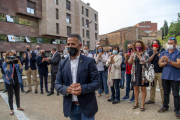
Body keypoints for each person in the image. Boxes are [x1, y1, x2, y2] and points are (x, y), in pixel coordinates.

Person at [55, 34, 101, 120]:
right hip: (71, 107)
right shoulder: (62, 63)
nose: (70, 46)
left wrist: (82, 88)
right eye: (68, 44)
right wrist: (66, 89)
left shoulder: (89, 61)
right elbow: (57, 84)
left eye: (73, 44)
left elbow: (97, 83)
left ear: (80, 46)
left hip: (87, 106)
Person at [158, 37, 180, 119]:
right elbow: (160, 64)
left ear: (175, 44)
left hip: (175, 77)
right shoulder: (164, 52)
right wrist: (164, 62)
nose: (170, 44)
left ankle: (177, 110)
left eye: (171, 43)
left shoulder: (178, 52)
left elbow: (178, 64)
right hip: (165, 76)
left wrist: (169, 61)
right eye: (169, 43)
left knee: (176, 94)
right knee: (165, 93)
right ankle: (165, 106)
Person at [128, 40, 149, 111]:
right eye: (136, 46)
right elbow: (129, 62)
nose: (138, 47)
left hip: (143, 73)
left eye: (139, 46)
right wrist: (132, 56)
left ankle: (143, 104)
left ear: (142, 46)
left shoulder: (145, 53)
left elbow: (145, 62)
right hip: (135, 73)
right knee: (136, 89)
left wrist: (139, 56)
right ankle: (136, 102)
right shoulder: (133, 52)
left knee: (143, 89)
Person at [3, 51, 24, 115]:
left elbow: (21, 70)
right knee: (10, 96)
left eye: (12, 55)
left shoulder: (15, 63)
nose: (11, 57)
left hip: (17, 80)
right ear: (7, 56)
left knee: (17, 94)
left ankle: (18, 106)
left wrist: (19, 63)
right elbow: (6, 72)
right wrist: (8, 64)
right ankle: (12, 109)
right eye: (10, 55)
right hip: (9, 81)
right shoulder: (5, 63)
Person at [145, 39, 165, 105]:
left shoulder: (162, 50)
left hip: (161, 72)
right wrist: (154, 54)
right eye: (154, 43)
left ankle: (164, 101)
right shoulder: (150, 52)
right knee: (152, 86)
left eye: (156, 43)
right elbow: (148, 60)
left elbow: (163, 59)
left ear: (158, 44)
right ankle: (152, 99)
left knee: (162, 87)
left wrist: (157, 53)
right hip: (152, 72)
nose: (155, 44)